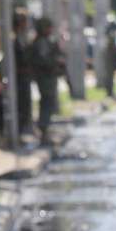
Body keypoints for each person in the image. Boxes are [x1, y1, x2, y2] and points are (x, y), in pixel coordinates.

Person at [30, 17, 65, 146]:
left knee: (48, 103)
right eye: (48, 27)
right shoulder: (41, 43)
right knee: (47, 103)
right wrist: (56, 62)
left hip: (48, 77)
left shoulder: (46, 41)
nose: (50, 30)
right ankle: (43, 131)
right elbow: (44, 61)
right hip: (45, 78)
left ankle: (45, 131)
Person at [12, 8, 33, 138]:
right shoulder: (13, 39)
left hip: (24, 77)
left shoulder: (21, 37)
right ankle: (17, 134)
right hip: (18, 78)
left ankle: (20, 133)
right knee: (20, 106)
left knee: (24, 107)